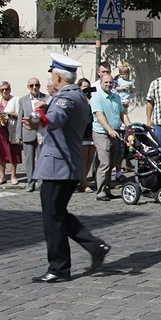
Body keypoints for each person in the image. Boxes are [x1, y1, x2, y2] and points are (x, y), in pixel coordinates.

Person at [29, 54, 111, 283]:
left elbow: (55, 119)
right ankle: (95, 246)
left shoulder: (67, 98)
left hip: (59, 166)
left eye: (52, 75)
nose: (50, 79)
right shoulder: (75, 96)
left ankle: (59, 267)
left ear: (58, 77)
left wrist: (39, 116)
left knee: (52, 219)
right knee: (58, 214)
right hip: (65, 165)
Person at [90, 72, 131, 202]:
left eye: (110, 82)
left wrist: (131, 127)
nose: (108, 84)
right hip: (101, 133)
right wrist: (109, 129)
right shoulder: (97, 97)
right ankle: (100, 192)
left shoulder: (115, 96)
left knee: (112, 163)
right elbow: (100, 116)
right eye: (106, 82)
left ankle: (107, 190)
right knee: (105, 163)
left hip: (115, 133)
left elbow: (122, 113)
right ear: (101, 83)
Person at [17, 78, 50, 192]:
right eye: (31, 85)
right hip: (28, 133)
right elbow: (20, 118)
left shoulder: (46, 99)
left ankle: (41, 182)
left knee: (41, 159)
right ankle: (30, 182)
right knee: (29, 160)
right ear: (28, 87)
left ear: (40, 86)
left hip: (42, 133)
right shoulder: (23, 100)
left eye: (36, 85)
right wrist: (18, 136)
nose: (34, 87)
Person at [0, 81, 23, 185]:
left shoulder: (16, 100)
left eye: (6, 89)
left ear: (10, 89)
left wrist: (10, 114)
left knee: (12, 153)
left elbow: (19, 114)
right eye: (2, 90)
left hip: (11, 130)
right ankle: (2, 176)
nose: (4, 91)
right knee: (0, 154)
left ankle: (13, 176)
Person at [76, 79, 96, 193]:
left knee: (90, 158)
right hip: (82, 130)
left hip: (92, 130)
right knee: (83, 158)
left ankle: (84, 180)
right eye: (84, 86)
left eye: (88, 86)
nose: (86, 88)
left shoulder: (92, 99)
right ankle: (83, 182)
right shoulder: (78, 99)